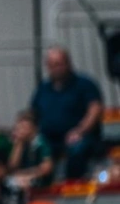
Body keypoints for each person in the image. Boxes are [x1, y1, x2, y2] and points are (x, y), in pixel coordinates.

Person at [31, 47, 103, 180]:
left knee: (77, 149)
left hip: (80, 136)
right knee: (32, 150)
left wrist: (80, 131)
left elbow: (94, 110)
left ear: (68, 63)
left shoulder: (84, 84)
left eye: (59, 64)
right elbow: (33, 114)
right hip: (49, 139)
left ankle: (72, 183)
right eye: (52, 65)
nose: (56, 68)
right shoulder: (43, 89)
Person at [7, 110, 54, 189]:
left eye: (24, 127)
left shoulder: (40, 143)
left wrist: (26, 174)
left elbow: (46, 168)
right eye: (18, 127)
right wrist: (19, 144)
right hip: (24, 177)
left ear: (33, 128)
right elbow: (12, 166)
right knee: (9, 181)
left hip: (39, 180)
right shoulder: (22, 143)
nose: (20, 130)